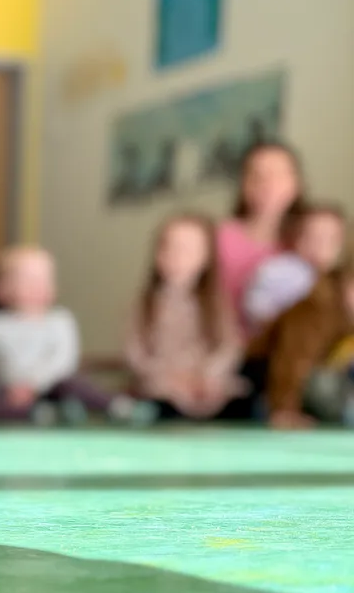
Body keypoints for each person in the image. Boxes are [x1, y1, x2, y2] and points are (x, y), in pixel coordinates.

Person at [0, 245, 154, 425]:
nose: (38, 285)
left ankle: (119, 407)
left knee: (74, 383)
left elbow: (63, 362)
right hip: (12, 393)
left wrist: (33, 385)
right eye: (29, 280)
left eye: (45, 279)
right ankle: (43, 415)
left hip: (53, 388)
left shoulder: (61, 321)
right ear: (3, 288)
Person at [124, 213, 247, 420]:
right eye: (170, 248)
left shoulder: (216, 303)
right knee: (152, 403)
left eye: (188, 250)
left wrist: (206, 376)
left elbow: (229, 346)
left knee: (241, 400)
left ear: (206, 257)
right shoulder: (145, 305)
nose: (177, 256)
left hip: (208, 384)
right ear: (158, 255)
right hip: (162, 387)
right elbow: (135, 354)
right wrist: (170, 378)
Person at [245, 263, 354, 430]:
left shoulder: (347, 321)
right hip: (264, 383)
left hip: (312, 388)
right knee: (323, 383)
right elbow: (290, 360)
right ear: (345, 284)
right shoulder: (315, 311)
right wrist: (284, 408)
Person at [216, 142, 307, 331]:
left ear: (297, 183)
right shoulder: (218, 238)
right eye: (256, 175)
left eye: (277, 174)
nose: (266, 183)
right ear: (243, 184)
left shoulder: (311, 242)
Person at [241, 202, 347, 333]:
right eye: (313, 237)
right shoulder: (277, 270)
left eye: (330, 239)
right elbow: (255, 307)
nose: (321, 246)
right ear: (297, 239)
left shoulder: (341, 281)